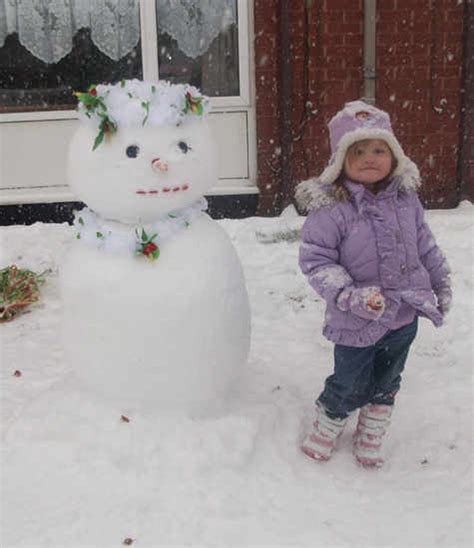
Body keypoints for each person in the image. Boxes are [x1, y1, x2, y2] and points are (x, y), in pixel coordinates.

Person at [295, 100, 452, 468]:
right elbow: (316, 261)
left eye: (379, 149)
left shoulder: (406, 201)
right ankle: (328, 422)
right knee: (348, 380)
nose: (370, 158)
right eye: (359, 151)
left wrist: (440, 281)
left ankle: (371, 429)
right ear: (340, 160)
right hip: (355, 321)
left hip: (404, 315)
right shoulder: (332, 208)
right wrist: (350, 296)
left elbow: (424, 244)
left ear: (394, 155)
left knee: (388, 378)